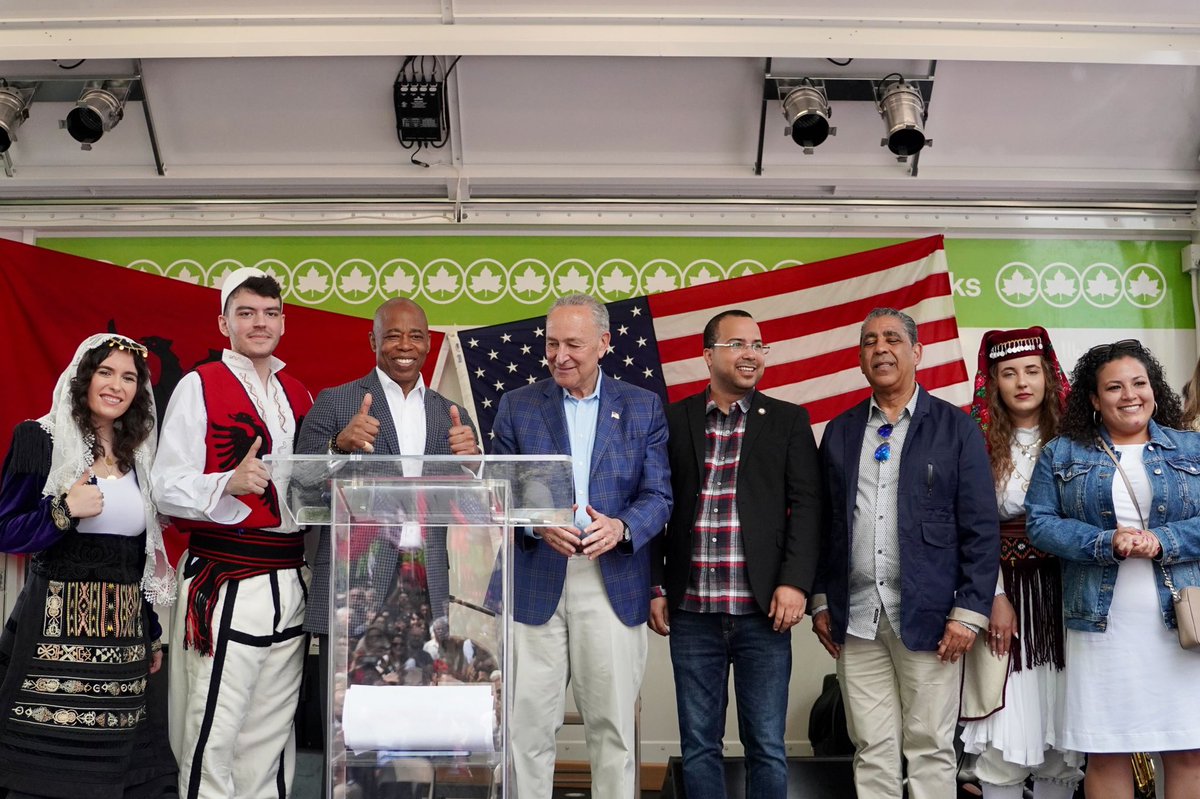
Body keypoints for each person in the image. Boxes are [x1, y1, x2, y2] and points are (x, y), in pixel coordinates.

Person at [811, 307, 999, 799]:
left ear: (916, 352)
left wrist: (969, 612)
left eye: (892, 339)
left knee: (931, 746)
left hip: (934, 618)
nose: (880, 349)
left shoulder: (956, 429)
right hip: (857, 618)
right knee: (871, 746)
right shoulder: (842, 429)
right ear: (860, 358)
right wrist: (820, 601)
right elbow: (825, 522)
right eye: (869, 341)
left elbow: (980, 529)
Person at [491, 293, 672, 799]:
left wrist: (621, 527)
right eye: (552, 344)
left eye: (573, 343)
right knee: (527, 731)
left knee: (613, 731)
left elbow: (659, 495)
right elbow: (500, 494)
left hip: (611, 581)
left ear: (604, 345)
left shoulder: (641, 406)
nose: (560, 355)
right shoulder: (517, 405)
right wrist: (535, 523)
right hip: (534, 582)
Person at [296, 297, 480, 769]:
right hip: (353, 592)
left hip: (426, 595)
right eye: (393, 335)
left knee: (412, 740)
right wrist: (338, 445)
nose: (405, 345)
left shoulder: (451, 414)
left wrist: (474, 464)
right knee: (348, 743)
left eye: (416, 335)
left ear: (428, 343)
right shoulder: (335, 403)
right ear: (373, 341)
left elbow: (473, 507)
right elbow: (301, 486)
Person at [151, 267, 313, 798]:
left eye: (269, 313)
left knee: (271, 729)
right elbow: (164, 486)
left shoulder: (298, 391)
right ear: (224, 323)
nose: (259, 323)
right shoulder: (200, 384)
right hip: (229, 577)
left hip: (291, 574)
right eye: (246, 313)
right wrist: (228, 481)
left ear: (284, 322)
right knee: (214, 728)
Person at [648, 309, 821, 798]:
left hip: (762, 612)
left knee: (766, 743)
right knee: (699, 744)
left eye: (759, 344)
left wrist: (795, 583)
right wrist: (656, 585)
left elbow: (807, 506)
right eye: (738, 344)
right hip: (691, 612)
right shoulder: (674, 419)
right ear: (707, 355)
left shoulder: (787, 420)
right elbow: (654, 500)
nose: (752, 354)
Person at [0, 334, 177, 797]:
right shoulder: (39, 438)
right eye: (106, 372)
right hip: (51, 638)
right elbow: (6, 529)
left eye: (129, 377)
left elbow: (135, 558)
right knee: (45, 772)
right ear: (83, 378)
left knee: (115, 774)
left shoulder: (139, 456)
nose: (116, 385)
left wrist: (150, 630)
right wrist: (63, 509)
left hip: (121, 643)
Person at [1026, 339, 1200, 799]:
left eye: (1139, 383)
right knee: (1107, 750)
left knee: (1188, 749)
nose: (1130, 395)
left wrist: (1164, 539)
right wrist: (1105, 542)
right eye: (1114, 387)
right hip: (1100, 625)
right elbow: (1040, 524)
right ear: (1093, 399)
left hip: (1182, 624)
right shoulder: (1062, 453)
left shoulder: (1192, 447)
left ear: (1154, 389)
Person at [959, 327, 1082, 799]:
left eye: (1032, 371)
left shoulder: (1079, 440)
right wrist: (993, 598)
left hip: (1066, 592)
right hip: (1002, 590)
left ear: (1049, 377)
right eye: (1008, 373)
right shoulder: (975, 441)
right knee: (1003, 731)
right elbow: (970, 526)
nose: (1022, 382)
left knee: (1063, 736)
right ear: (994, 383)